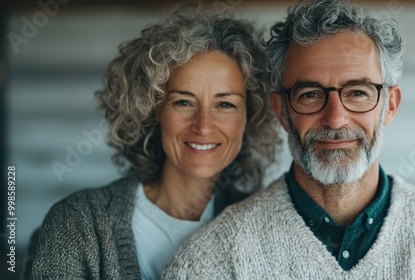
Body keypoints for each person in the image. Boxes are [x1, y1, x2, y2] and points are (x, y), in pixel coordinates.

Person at [162, 0, 415, 278]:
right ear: (282, 111)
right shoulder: (213, 261)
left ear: (389, 105)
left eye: (357, 92)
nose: (335, 119)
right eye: (310, 94)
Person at [25, 5, 281, 280]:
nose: (204, 125)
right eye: (183, 102)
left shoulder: (263, 228)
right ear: (152, 110)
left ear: (251, 115)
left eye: (225, 104)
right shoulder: (76, 223)